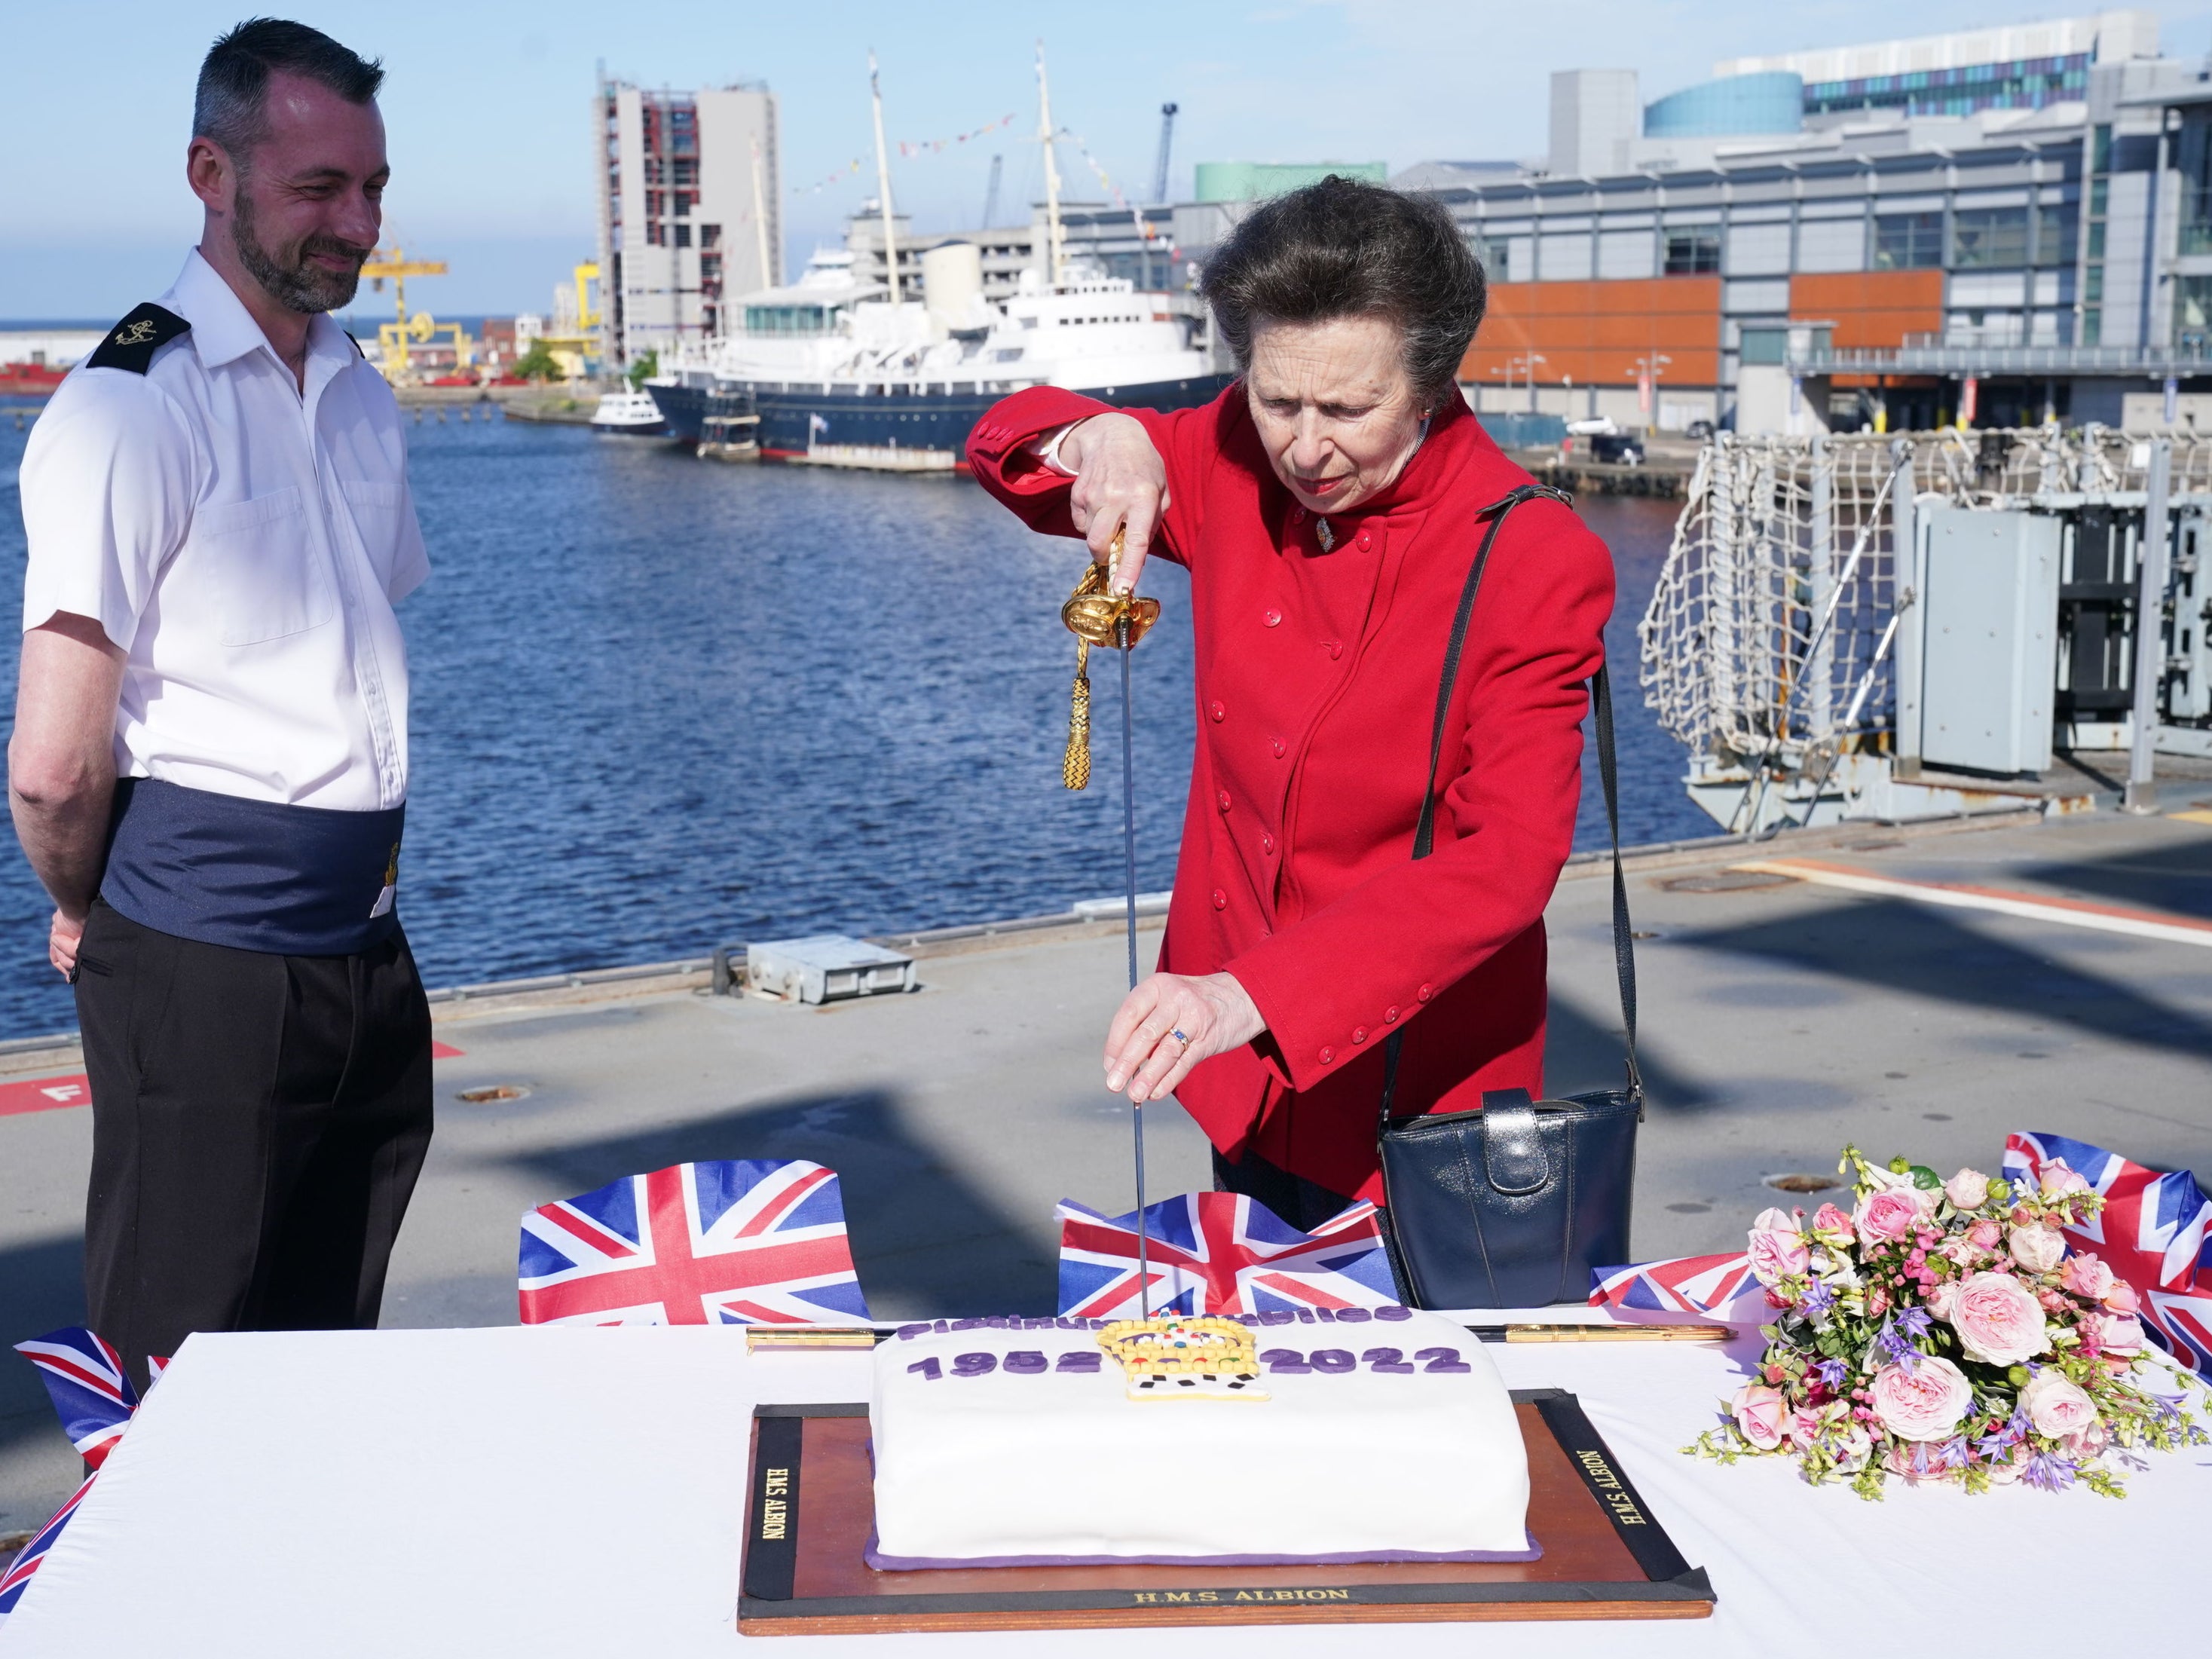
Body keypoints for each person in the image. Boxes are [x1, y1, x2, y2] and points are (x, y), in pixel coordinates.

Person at [968, 177, 1613, 1225]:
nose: (1306, 448)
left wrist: (1249, 995)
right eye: (1278, 400)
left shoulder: (1534, 556)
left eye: (1349, 410)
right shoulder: (1229, 460)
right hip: (1242, 1085)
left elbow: (1507, 861)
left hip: (1415, 1113)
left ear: (1432, 385)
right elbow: (1004, 443)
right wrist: (1103, 437)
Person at [10, 20, 433, 1388]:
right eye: (319, 189)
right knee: (176, 1383)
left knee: (324, 1371)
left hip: (364, 960)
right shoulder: (131, 409)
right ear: (212, 171)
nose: (356, 223)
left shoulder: (360, 397)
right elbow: (54, 767)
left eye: (372, 188)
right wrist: (86, 912)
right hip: (203, 971)